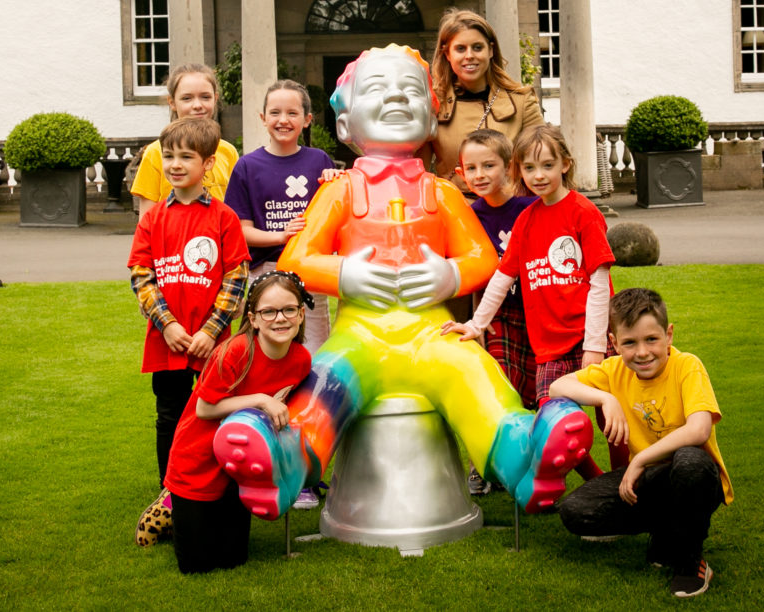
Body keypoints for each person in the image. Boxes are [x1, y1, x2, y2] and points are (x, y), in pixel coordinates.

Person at [212, 45, 594, 521]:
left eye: (411, 91)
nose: (396, 98)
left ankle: (520, 452)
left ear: (432, 122)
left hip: (432, 336)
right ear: (347, 126)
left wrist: (450, 274)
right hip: (360, 338)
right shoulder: (339, 191)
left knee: (473, 374)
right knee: (325, 382)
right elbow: (297, 259)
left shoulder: (443, 193)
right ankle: (290, 458)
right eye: (378, 89)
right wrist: (345, 274)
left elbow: (483, 256)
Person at [549, 288, 732, 599]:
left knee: (689, 462)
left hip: (696, 479)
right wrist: (605, 398)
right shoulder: (614, 370)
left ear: (669, 335)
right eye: (630, 343)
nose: (643, 352)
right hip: (648, 480)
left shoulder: (687, 366)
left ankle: (690, 563)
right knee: (575, 511)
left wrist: (639, 459)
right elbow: (557, 387)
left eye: (651, 339)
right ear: (613, 343)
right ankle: (665, 533)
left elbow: (699, 429)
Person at [128, 117, 250, 546]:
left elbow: (236, 277)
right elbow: (142, 275)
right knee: (170, 417)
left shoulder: (224, 217)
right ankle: (171, 496)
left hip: (212, 345)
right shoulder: (153, 219)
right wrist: (170, 325)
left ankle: (217, 492)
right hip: (169, 342)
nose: (175, 165)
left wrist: (210, 331)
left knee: (217, 415)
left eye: (186, 157)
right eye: (169, 157)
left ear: (209, 163)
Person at [443, 123, 614, 405]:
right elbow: (502, 276)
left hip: (589, 334)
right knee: (551, 421)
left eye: (547, 165)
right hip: (548, 343)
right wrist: (477, 324)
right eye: (530, 168)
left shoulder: (583, 212)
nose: (539, 175)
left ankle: (642, 453)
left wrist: (595, 345)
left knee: (614, 420)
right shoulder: (526, 219)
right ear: (519, 170)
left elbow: (600, 282)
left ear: (565, 164)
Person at [223, 79, 335, 510]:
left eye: (293, 113)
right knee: (268, 372)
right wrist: (279, 233)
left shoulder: (320, 162)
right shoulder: (248, 168)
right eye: (275, 112)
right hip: (267, 279)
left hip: (311, 283)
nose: (283, 120)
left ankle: (308, 470)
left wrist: (337, 180)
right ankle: (269, 463)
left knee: (312, 369)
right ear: (262, 118)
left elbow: (340, 208)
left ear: (307, 120)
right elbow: (241, 229)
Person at [165, 271, 313, 574]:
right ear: (253, 318)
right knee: (197, 566)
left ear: (300, 314)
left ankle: (184, 516)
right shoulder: (238, 351)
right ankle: (168, 510)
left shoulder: (301, 360)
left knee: (233, 560)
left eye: (288, 309)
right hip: (198, 457)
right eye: (268, 311)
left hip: (240, 464)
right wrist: (261, 399)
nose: (279, 318)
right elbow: (205, 409)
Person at [455, 129, 538, 496]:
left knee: (537, 389)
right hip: (497, 315)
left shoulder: (530, 207)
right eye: (471, 168)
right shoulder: (469, 216)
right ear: (461, 173)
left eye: (489, 165)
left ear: (509, 167)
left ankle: (531, 462)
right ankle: (481, 464)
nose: (480, 174)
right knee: (498, 384)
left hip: (536, 310)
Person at [426, 8, 544, 193]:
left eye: (477, 47)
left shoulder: (521, 101)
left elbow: (541, 161)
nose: (469, 55)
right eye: (460, 49)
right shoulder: (432, 104)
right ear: (447, 54)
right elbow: (419, 169)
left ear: (490, 50)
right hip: (455, 211)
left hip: (511, 211)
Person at [130, 63, 239, 218]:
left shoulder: (227, 151)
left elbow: (235, 211)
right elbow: (147, 221)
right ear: (172, 102)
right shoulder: (156, 152)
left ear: (215, 99)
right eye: (187, 98)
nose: (197, 105)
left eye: (205, 97)